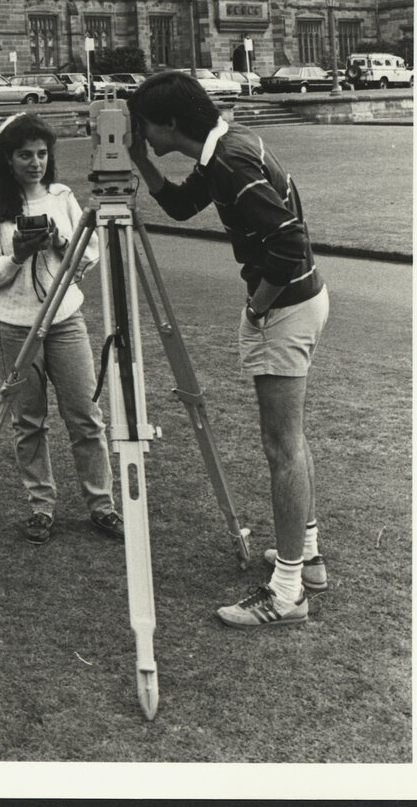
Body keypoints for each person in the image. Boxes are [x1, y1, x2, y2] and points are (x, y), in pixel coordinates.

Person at [127, 72, 329, 628]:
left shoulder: (230, 161)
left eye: (145, 123)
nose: (141, 130)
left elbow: (290, 241)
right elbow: (184, 207)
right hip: (300, 300)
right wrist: (140, 160)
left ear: (169, 123)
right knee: (291, 440)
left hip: (285, 307)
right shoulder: (224, 149)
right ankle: (306, 560)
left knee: (281, 446)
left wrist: (259, 307)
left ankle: (288, 593)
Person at [0, 112, 123, 544]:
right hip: (13, 324)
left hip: (64, 318)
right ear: (8, 159)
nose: (35, 163)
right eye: (25, 155)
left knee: (85, 416)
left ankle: (102, 505)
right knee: (29, 421)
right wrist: (18, 254)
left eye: (41, 154)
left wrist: (60, 242)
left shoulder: (62, 197)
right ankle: (41, 506)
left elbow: (89, 255)